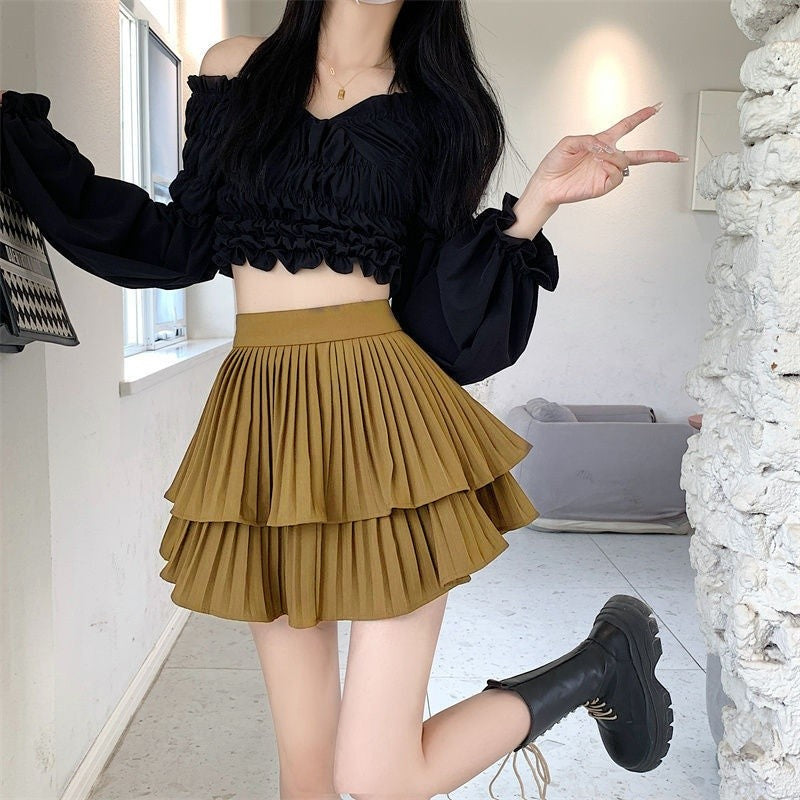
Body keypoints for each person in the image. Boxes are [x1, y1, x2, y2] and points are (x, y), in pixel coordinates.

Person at [0, 1, 687, 798]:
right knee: (306, 773)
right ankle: (602, 662)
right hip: (262, 420)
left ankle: (600, 664)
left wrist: (532, 210)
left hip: (382, 414)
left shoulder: (441, 109)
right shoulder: (234, 67)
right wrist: (20, 141)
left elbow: (436, 312)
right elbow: (181, 240)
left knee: (378, 773)